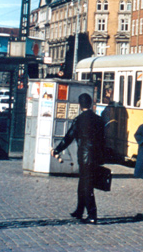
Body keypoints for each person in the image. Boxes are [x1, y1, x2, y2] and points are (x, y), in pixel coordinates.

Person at [51, 93, 105, 224]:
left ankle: (92, 215)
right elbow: (103, 140)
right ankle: (80, 210)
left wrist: (56, 150)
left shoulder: (79, 120)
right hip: (96, 156)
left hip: (85, 157)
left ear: (80, 105)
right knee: (83, 183)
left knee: (86, 185)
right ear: (92, 104)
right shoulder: (99, 119)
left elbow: (68, 138)